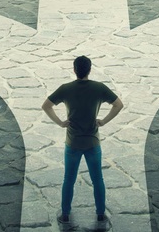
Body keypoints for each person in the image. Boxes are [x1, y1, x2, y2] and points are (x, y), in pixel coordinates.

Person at [42, 55, 124, 229]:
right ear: (90, 70)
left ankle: (65, 215)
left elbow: (46, 106)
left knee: (68, 180)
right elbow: (118, 105)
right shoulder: (99, 88)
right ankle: (101, 214)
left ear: (74, 70)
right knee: (98, 180)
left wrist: (60, 123)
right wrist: (104, 121)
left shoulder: (65, 89)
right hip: (93, 143)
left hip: (72, 143)